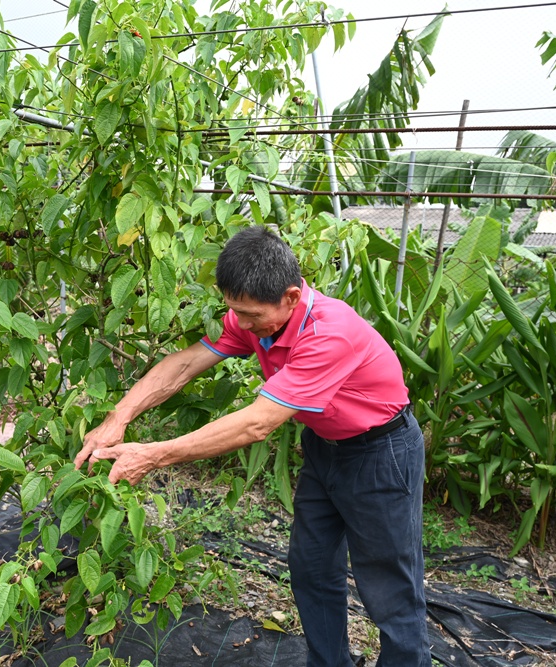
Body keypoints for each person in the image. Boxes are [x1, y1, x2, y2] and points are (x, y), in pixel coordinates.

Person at [74, 225, 431, 667]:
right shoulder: (254, 317)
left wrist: (152, 454)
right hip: (325, 449)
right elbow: (186, 364)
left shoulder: (329, 333)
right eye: (234, 311)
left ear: (291, 298)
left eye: (250, 315)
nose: (240, 324)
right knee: (312, 569)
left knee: (390, 590)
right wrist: (117, 419)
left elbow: (257, 424)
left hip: (382, 454)